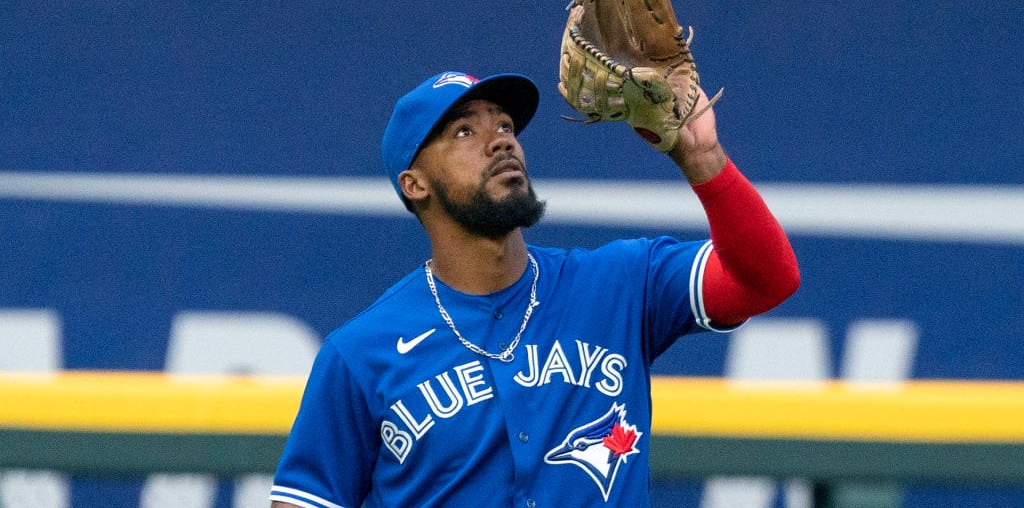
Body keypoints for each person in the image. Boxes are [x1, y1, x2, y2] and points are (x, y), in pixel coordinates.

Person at [269, 70, 800, 508]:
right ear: (415, 183)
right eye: (463, 132)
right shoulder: (360, 353)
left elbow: (766, 281)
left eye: (505, 125)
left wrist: (703, 159)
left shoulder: (618, 282)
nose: (500, 139)